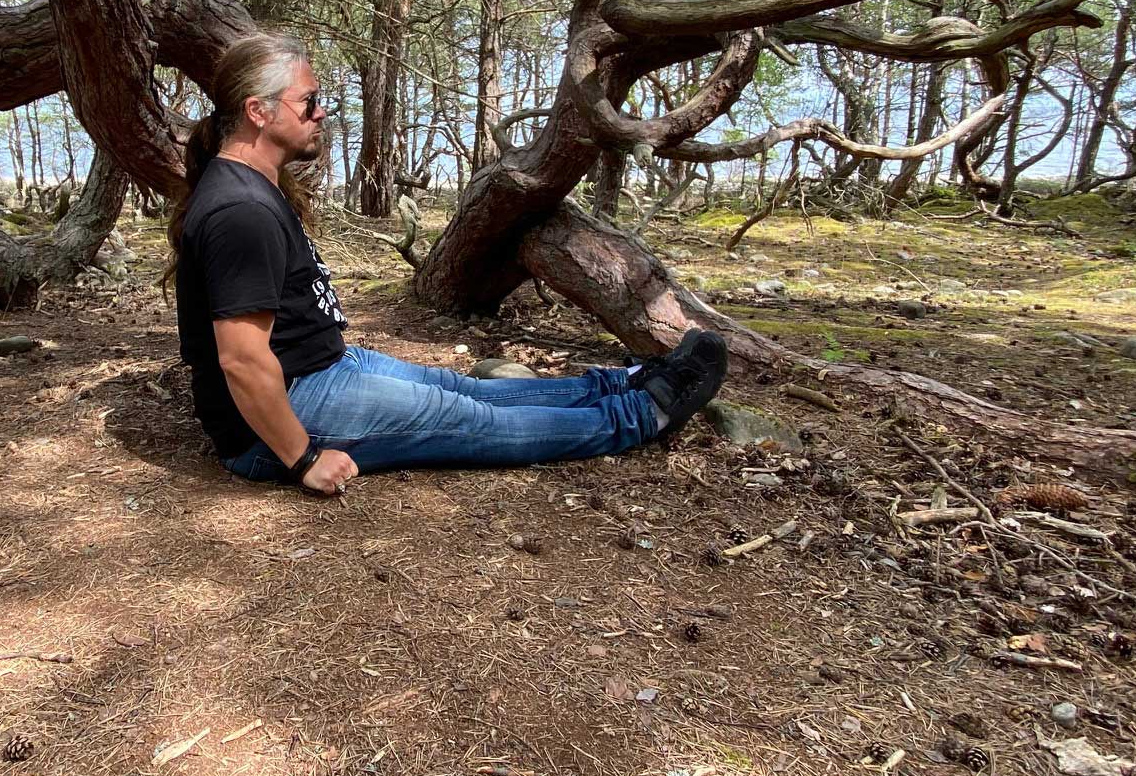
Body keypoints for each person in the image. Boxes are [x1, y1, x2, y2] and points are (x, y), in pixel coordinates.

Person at [166, 34, 729, 497]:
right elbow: (241, 358)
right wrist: (303, 457)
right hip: (283, 412)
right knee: (472, 421)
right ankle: (641, 415)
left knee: (461, 390)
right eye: (309, 101)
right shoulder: (240, 209)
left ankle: (623, 383)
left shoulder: (252, 188)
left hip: (321, 368)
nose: (322, 113)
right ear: (258, 112)